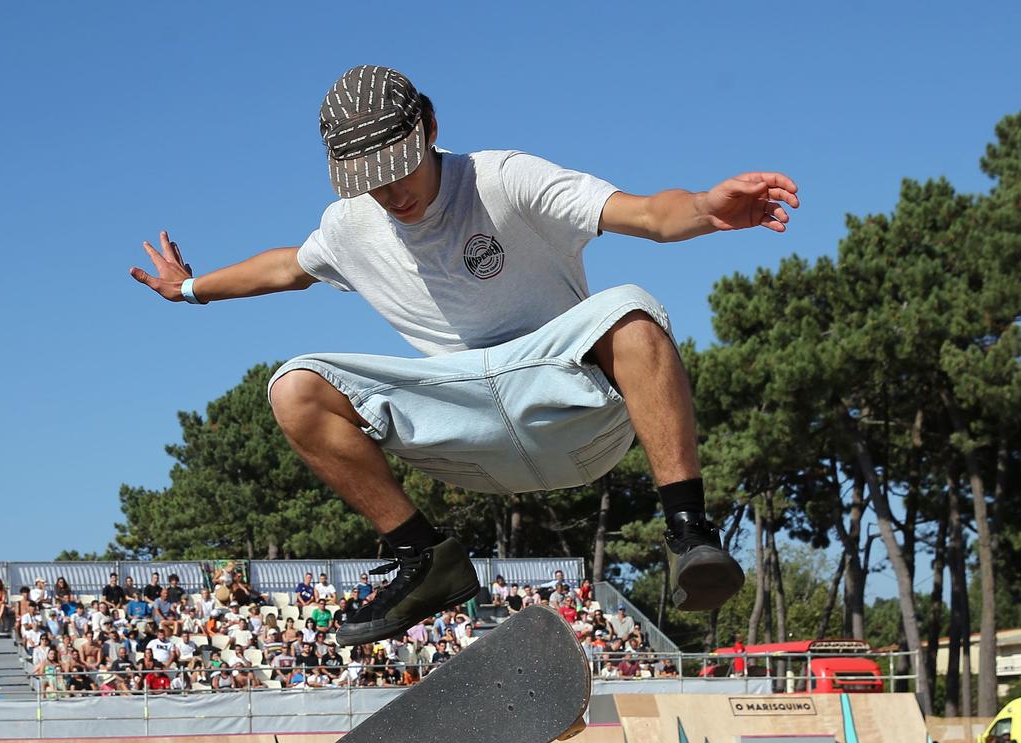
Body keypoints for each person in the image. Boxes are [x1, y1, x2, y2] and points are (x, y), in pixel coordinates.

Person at [129, 65, 784, 645]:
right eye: (371, 183)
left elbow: (645, 214)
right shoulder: (351, 225)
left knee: (633, 313)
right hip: (464, 428)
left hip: (569, 406)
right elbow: (284, 267)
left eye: (399, 169)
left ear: (431, 126)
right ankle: (424, 559)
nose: (391, 195)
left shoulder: (502, 180)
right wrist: (189, 288)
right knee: (293, 389)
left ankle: (690, 533)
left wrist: (703, 208)